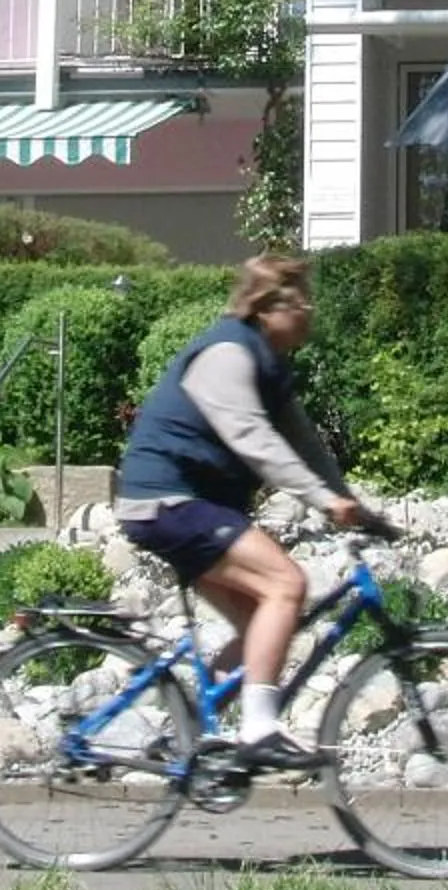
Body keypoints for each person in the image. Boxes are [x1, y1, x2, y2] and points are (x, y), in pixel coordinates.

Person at [114, 254, 371, 773]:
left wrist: (353, 504)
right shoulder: (229, 353)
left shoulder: (270, 364)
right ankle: (258, 730)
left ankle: (188, 734)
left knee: (262, 621)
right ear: (268, 307)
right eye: (301, 301)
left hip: (192, 504)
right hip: (168, 499)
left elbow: (305, 445)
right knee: (286, 585)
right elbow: (253, 439)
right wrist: (322, 500)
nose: (310, 310)